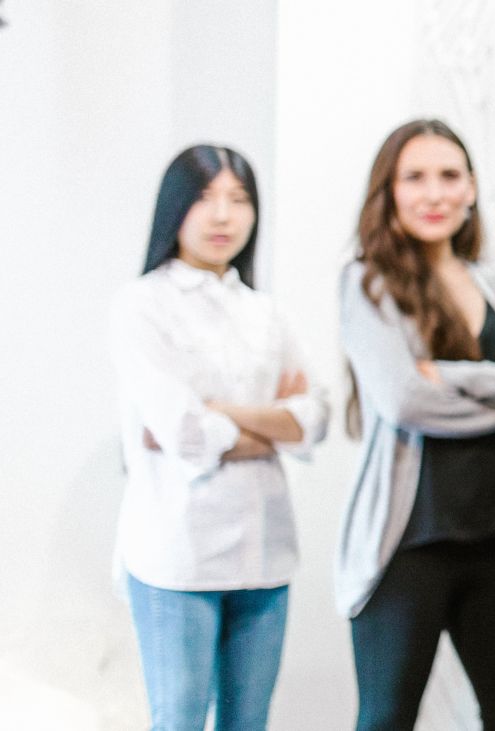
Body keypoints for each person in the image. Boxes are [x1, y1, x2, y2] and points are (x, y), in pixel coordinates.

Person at [336, 119, 495, 730]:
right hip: (409, 545)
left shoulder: (489, 282)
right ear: (387, 192)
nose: (434, 193)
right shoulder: (368, 282)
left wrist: (455, 375)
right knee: (387, 718)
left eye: (449, 176)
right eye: (414, 178)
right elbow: (406, 402)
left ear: (471, 189)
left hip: (492, 539)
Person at [111, 144, 329, 731]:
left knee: (248, 722)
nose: (223, 216)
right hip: (178, 553)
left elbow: (316, 417)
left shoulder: (265, 312)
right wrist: (269, 423)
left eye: (239, 199)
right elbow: (180, 431)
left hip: (265, 552)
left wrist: (223, 414)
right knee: (179, 718)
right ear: (175, 208)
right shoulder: (142, 305)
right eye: (206, 198)